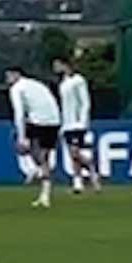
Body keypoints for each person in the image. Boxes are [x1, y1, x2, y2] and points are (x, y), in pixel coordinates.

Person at [6, 66, 62, 209]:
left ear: (17, 75)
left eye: (9, 76)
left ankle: (35, 169)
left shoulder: (17, 88)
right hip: (54, 120)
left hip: (39, 121)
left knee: (37, 155)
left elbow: (18, 113)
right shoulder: (35, 83)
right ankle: (45, 193)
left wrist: (21, 136)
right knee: (44, 157)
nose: (7, 79)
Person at [53, 56, 100, 193]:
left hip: (77, 123)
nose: (55, 68)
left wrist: (83, 121)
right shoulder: (63, 82)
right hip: (67, 123)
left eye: (57, 65)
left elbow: (85, 101)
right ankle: (78, 182)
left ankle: (92, 170)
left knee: (75, 151)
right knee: (72, 154)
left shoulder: (78, 80)